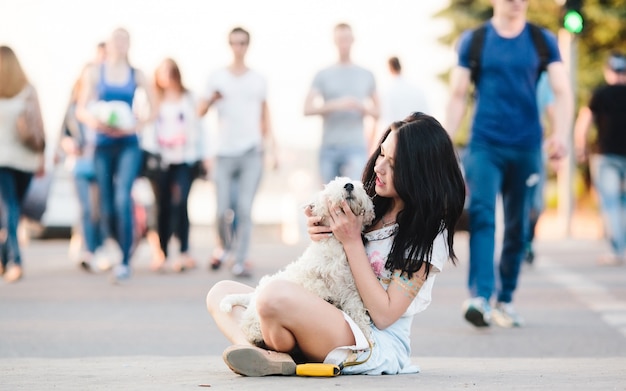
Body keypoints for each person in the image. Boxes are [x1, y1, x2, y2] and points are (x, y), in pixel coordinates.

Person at [206, 112, 466, 376]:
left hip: (371, 341)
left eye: (394, 165)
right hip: (330, 312)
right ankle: (271, 357)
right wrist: (321, 229)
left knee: (272, 297)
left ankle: (273, 353)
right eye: (381, 154)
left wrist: (351, 240)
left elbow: (384, 315)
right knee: (221, 292)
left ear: (420, 173)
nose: (378, 167)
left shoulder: (428, 233)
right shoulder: (371, 203)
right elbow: (329, 261)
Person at [444, 0, 573, 328]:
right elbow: (458, 93)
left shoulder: (542, 40)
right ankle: (481, 297)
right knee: (483, 217)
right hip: (484, 144)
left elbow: (562, 91)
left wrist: (559, 133)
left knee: (519, 226)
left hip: (527, 147)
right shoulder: (475, 40)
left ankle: (505, 298)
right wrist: (445, 139)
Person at [76, 28, 157, 283]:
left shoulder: (137, 74)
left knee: (123, 198)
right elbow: (81, 109)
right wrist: (96, 122)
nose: (120, 44)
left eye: (125, 40)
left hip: (128, 145)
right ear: (108, 44)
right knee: (106, 203)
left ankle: (124, 260)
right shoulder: (93, 72)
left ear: (130, 44)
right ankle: (110, 246)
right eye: (116, 40)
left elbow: (153, 107)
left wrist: (136, 125)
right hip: (102, 144)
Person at [198, 26, 277, 278]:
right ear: (229, 45)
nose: (238, 47)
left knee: (244, 208)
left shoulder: (258, 79)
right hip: (223, 152)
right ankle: (224, 246)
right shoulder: (216, 77)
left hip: (251, 152)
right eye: (234, 43)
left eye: (243, 43)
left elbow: (265, 114)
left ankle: (240, 260)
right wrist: (211, 99)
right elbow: (199, 111)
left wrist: (271, 148)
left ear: (248, 45)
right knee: (222, 210)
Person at [149, 57, 208, 273]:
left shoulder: (189, 97)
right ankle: (162, 252)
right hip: (160, 160)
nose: (166, 75)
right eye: (161, 71)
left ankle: (184, 252)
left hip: (186, 158)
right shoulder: (153, 99)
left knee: (180, 203)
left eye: (169, 71)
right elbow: (146, 127)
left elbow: (201, 127)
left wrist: (206, 156)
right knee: (161, 206)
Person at [304, 23, 379, 184]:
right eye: (340, 39)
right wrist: (336, 105)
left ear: (353, 40)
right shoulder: (323, 74)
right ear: (334, 41)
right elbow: (307, 108)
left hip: (356, 147)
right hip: (329, 147)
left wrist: (360, 107)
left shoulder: (366, 74)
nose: (343, 43)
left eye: (346, 38)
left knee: (355, 195)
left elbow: (378, 112)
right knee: (328, 199)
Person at [574, 52, 626, 266]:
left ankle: (617, 250)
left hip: (605, 155)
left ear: (607, 71)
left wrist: (581, 148)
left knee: (611, 203)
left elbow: (584, 123)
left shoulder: (600, 94)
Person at [58, 42, 106, 272]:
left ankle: (96, 248)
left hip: (99, 161)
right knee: (85, 209)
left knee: (97, 210)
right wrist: (67, 143)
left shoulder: (104, 102)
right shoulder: (73, 103)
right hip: (78, 163)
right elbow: (63, 133)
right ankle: (88, 250)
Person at [0, 45, 46, 283]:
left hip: (25, 161)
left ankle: (2, 255)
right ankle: (15, 260)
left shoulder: (28, 91)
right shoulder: (24, 90)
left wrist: (42, 157)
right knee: (10, 208)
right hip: (2, 162)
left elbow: (38, 125)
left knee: (11, 210)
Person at [525, 71, 555, 265]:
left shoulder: (543, 78)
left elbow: (551, 109)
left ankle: (527, 241)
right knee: (516, 201)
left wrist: (557, 137)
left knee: (536, 203)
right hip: (506, 148)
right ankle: (518, 243)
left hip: (534, 149)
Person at [370, 56, 429, 152]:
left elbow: (380, 120)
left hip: (394, 141)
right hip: (416, 141)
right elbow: (426, 116)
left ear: (389, 68)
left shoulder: (385, 91)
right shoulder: (418, 90)